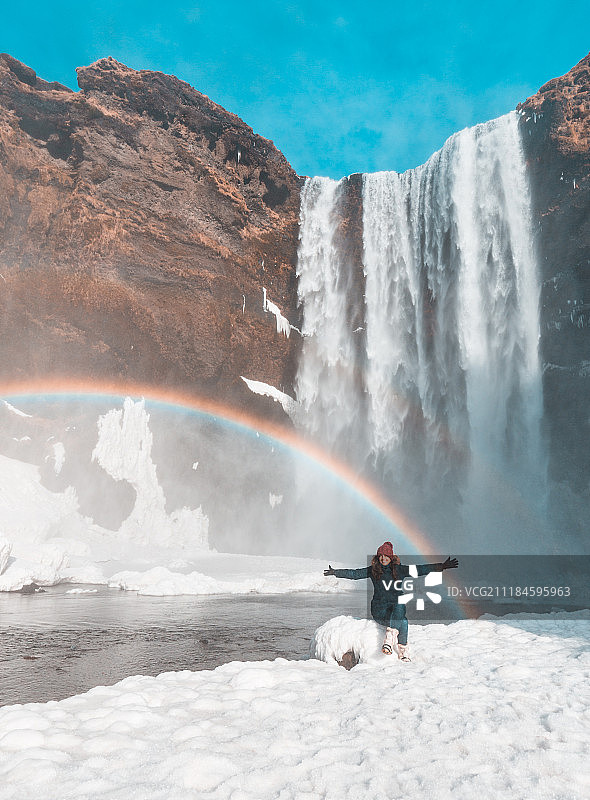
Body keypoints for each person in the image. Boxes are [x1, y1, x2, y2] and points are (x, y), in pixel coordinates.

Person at [324, 542, 458, 662]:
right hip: (379, 610)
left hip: (395, 610)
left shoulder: (400, 570)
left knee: (402, 618)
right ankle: (390, 640)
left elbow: (420, 569)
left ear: (391, 557)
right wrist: (336, 572)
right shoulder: (373, 570)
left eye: (386, 556)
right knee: (401, 616)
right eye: (381, 556)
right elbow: (354, 574)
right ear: (378, 557)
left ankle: (401, 651)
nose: (383, 558)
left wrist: (442, 566)